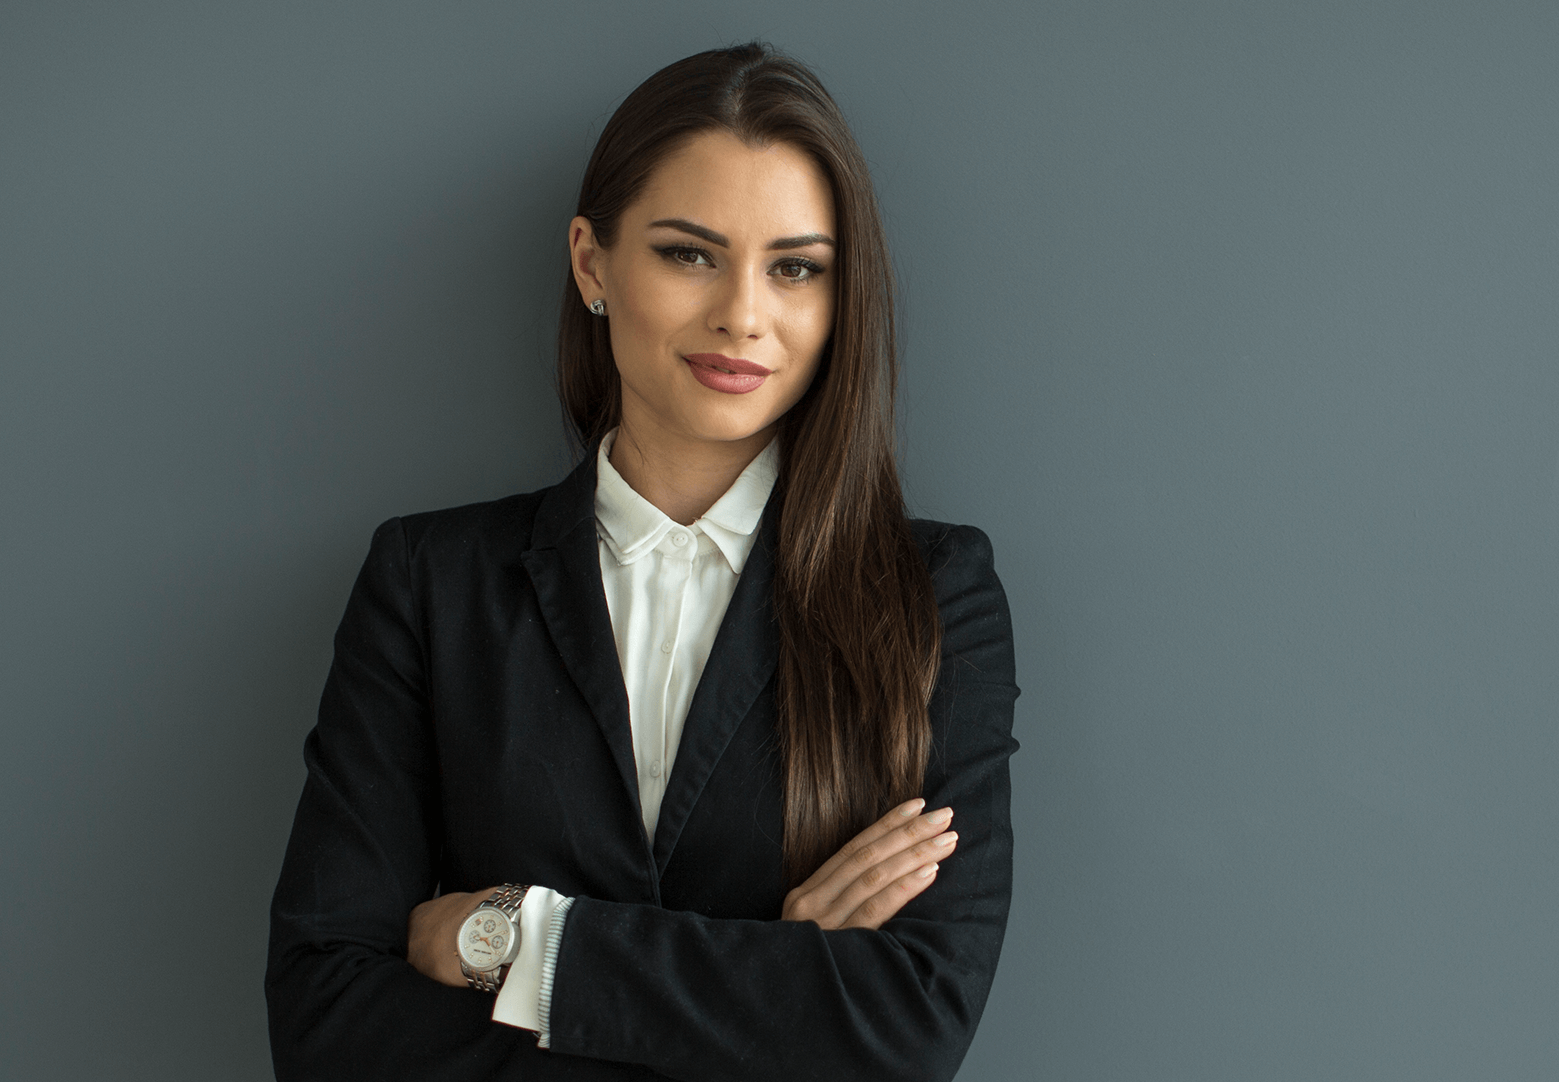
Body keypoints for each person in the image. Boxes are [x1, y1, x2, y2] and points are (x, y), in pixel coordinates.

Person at [265, 42, 1019, 1082]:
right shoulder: (429, 583)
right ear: (593, 264)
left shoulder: (934, 596)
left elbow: (909, 1024)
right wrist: (778, 978)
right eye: (689, 253)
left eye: (795, 267)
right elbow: (327, 1021)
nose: (744, 315)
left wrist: (518, 938)